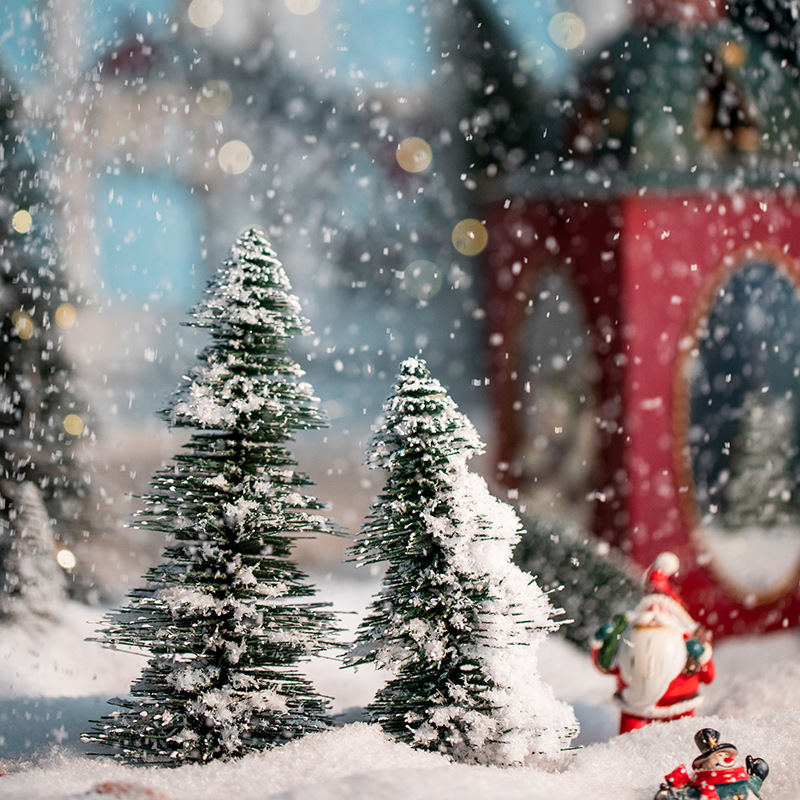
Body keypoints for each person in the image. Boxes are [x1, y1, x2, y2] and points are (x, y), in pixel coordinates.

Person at [591, 552, 715, 734]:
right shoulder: (628, 636)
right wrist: (599, 644)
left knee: (682, 741)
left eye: (661, 609)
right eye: (650, 608)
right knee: (628, 747)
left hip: (681, 708)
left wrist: (702, 656)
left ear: (675, 616)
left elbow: (708, 675)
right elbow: (605, 665)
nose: (654, 613)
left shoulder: (688, 639)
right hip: (635, 711)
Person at [655, 728, 769, 799]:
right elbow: (687, 795)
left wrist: (757, 774)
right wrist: (672, 795)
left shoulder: (743, 782)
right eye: (720, 755)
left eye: (726, 755)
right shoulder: (701, 788)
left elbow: (753, 784)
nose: (727, 759)